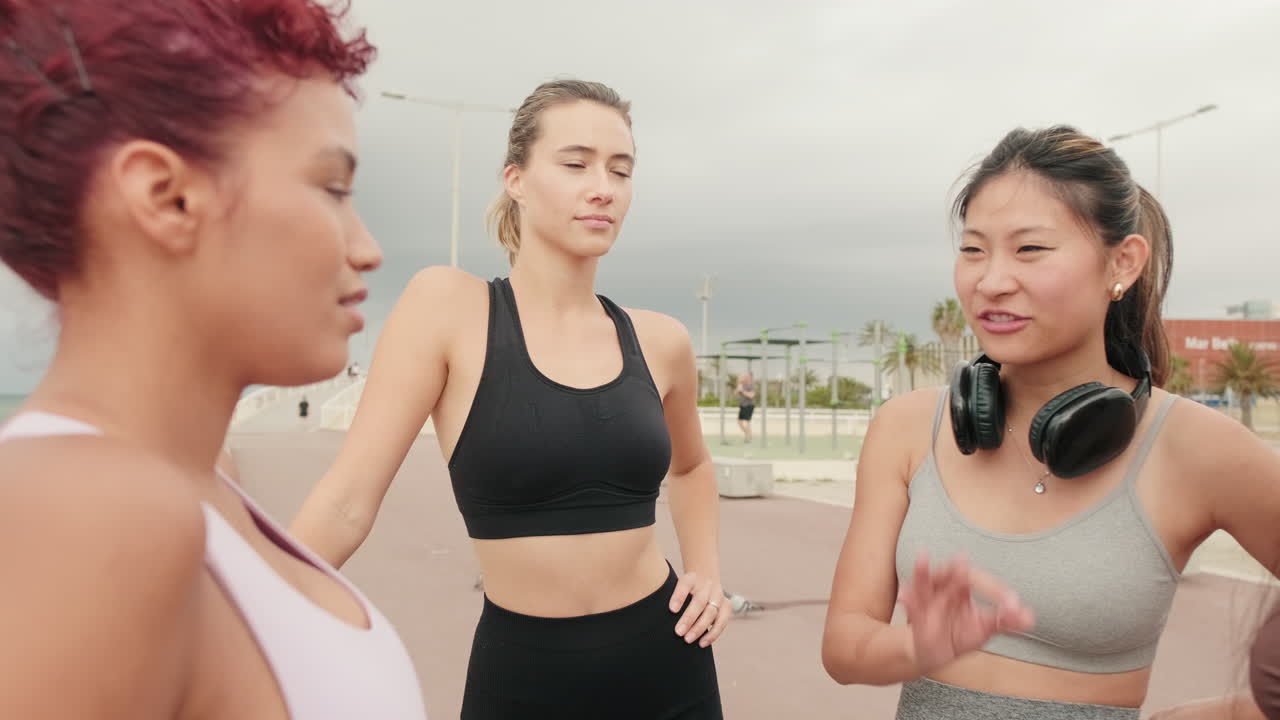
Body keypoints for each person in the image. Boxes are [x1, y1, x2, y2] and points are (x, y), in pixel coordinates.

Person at [0, 2, 427, 717]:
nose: (367, 247)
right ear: (166, 198)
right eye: (332, 188)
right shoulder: (90, 515)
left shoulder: (199, 486)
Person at [291, 79, 727, 718]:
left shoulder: (660, 341)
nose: (602, 186)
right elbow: (347, 500)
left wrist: (706, 571)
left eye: (621, 169)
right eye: (576, 164)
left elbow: (692, 468)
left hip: (667, 664)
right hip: (523, 674)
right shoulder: (447, 307)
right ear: (515, 178)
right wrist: (245, 611)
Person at [821, 125, 1280, 719]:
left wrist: (1224, 714)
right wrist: (921, 645)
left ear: (1123, 261)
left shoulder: (1199, 447)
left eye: (1030, 249)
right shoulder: (906, 426)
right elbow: (845, 648)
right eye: (973, 249)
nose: (991, 281)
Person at [735, 371, 756, 443]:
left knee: (748, 422)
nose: (745, 377)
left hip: (749, 405)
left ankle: (749, 437)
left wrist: (743, 391)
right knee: (739, 421)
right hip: (742, 405)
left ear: (750, 377)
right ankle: (747, 434)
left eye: (747, 376)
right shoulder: (742, 384)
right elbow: (736, 393)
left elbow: (751, 395)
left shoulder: (752, 385)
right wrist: (739, 384)